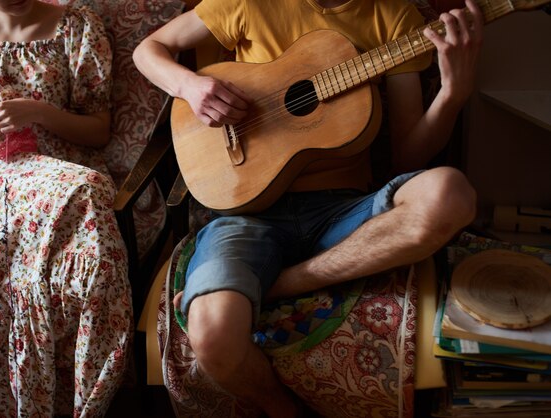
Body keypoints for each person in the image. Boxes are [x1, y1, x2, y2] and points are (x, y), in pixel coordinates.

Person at [134, 0, 482, 416]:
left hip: (345, 211)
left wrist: (452, 95)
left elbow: (408, 157)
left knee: (451, 194)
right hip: (245, 213)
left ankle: (280, 283)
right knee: (212, 336)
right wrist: (189, 86)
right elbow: (149, 49)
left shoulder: (394, 17)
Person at [0, 0, 132, 416]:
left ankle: (88, 398)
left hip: (58, 171)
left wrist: (39, 112)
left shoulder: (75, 27)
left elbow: (98, 130)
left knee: (88, 195)